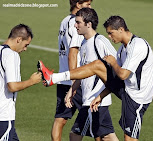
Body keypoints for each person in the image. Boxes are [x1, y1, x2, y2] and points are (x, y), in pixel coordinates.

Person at [38, 15, 153, 141]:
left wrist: (113, 63)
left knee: (129, 139)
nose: (110, 37)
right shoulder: (122, 49)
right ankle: (53, 78)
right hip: (126, 92)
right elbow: (117, 78)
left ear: (121, 29)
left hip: (137, 98)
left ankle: (53, 78)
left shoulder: (137, 45)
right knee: (97, 65)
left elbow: (122, 75)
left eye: (111, 33)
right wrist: (100, 96)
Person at [38, 8, 119, 141]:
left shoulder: (100, 41)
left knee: (75, 135)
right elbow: (83, 71)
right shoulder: (83, 42)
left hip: (95, 101)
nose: (75, 25)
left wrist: (102, 94)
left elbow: (117, 65)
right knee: (107, 136)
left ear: (89, 24)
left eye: (78, 22)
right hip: (92, 100)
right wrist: (72, 89)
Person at [50, 0, 93, 141]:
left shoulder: (65, 20)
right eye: (87, 4)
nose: (90, 7)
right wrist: (74, 80)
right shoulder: (77, 23)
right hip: (77, 78)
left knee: (60, 119)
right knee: (96, 118)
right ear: (78, 5)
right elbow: (73, 53)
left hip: (64, 77)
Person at [0, 24, 41, 141]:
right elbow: (12, 86)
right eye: (25, 45)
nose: (25, 49)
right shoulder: (12, 55)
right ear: (19, 40)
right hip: (3, 117)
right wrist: (32, 81)